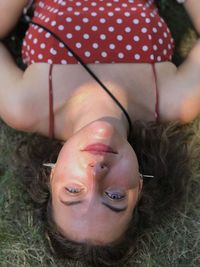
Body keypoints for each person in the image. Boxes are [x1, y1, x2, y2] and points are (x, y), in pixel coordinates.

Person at [0, 0, 200, 266]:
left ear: (51, 174)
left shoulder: (25, 106)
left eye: (73, 190)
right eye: (115, 196)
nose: (96, 173)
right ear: (139, 186)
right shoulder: (172, 101)